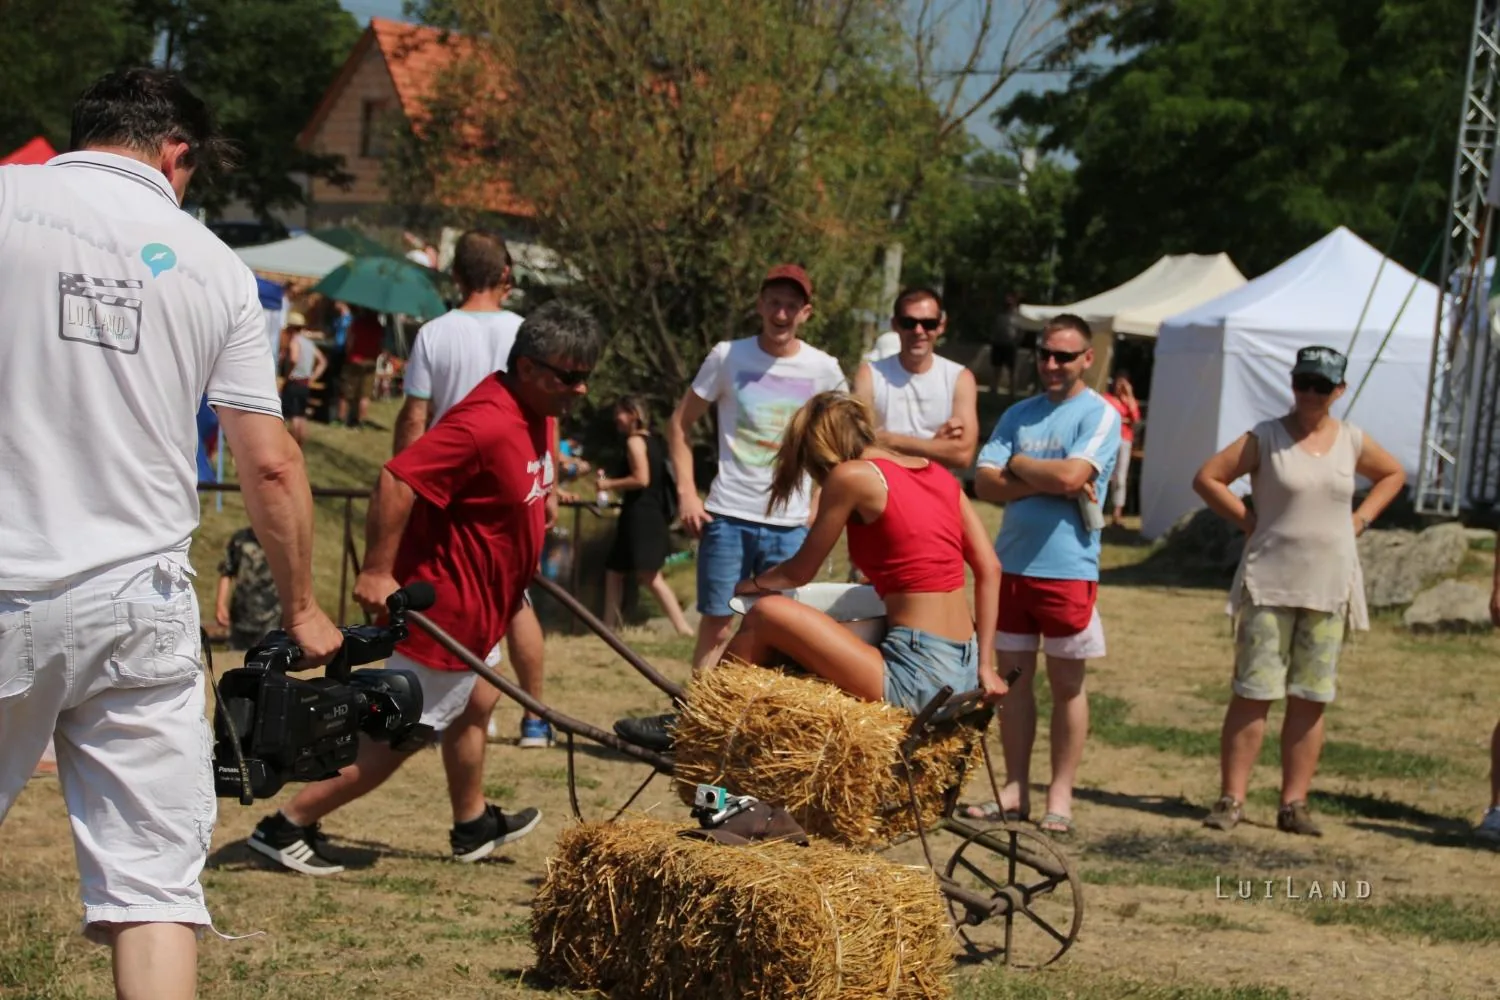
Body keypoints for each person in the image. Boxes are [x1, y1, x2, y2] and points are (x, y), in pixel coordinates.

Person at [0, 68, 341, 1000]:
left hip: (10, 576)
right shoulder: (217, 268)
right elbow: (272, 465)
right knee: (154, 890)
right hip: (140, 604)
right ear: (176, 151)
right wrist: (303, 610)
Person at [247, 300, 601, 874]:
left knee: (477, 702)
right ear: (529, 368)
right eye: (570, 377)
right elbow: (396, 479)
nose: (580, 389)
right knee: (396, 737)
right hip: (446, 611)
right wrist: (376, 570)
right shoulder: (485, 422)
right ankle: (284, 826)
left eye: (586, 376)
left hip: (484, 606)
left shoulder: (536, 409)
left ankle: (471, 823)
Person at [614, 264, 845, 750]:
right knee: (718, 626)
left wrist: (819, 503)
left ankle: (761, 737)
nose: (781, 314)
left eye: (791, 305)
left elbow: (842, 440)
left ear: (806, 313)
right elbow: (679, 424)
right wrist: (687, 493)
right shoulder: (727, 356)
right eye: (773, 302)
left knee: (782, 635)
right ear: (759, 305)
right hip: (730, 515)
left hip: (790, 525)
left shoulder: (823, 368)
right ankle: (696, 730)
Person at [1194, 346, 1405, 837]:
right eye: (1303, 382)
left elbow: (1393, 474)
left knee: (1311, 696)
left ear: (1340, 390)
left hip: (1329, 586)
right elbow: (1208, 478)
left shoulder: (1351, 440)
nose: (1310, 393)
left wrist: (1361, 519)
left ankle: (1294, 803)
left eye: (1321, 386)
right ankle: (1231, 799)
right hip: (1269, 582)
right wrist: (1248, 520)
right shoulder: (1266, 437)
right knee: (1254, 692)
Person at [724, 392, 1007, 710]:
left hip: (917, 676)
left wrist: (753, 584)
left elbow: (797, 573)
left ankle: (706, 715)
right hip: (964, 669)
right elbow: (990, 568)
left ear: (820, 451)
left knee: (764, 613)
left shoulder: (851, 476)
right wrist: (986, 665)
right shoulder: (939, 475)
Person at [394, 228, 554, 749]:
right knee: (516, 598)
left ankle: (449, 708)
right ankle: (533, 717)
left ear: (456, 274)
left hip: (451, 485)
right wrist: (547, 479)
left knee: (453, 597)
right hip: (515, 478)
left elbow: (415, 416)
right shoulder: (526, 331)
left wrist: (407, 481)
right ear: (505, 274)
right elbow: (549, 408)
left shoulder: (434, 333)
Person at [970, 314, 1122, 836]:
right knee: (1012, 686)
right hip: (1011, 567)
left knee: (1067, 687)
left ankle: (1061, 794)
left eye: (1064, 356)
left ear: (1087, 359)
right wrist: (1046, 478)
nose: (1052, 364)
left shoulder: (1100, 414)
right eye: (1045, 354)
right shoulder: (1019, 413)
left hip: (1068, 571)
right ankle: (1015, 790)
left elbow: (1074, 476)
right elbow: (983, 483)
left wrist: (1018, 465)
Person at [852, 287, 979, 473]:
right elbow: (857, 445)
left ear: (941, 326)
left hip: (935, 486)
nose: (918, 331)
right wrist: (934, 446)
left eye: (929, 324)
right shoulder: (870, 374)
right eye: (909, 323)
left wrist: (890, 440)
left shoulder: (960, 378)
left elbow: (963, 455)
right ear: (895, 325)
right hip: (881, 484)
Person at [600, 396, 693, 637]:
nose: (616, 419)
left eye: (620, 413)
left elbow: (641, 479)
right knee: (615, 571)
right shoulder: (655, 442)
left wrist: (608, 484)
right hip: (647, 514)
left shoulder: (634, 442)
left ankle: (683, 628)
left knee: (650, 576)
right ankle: (608, 627)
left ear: (633, 414)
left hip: (641, 516)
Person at [216, 527, 282, 650]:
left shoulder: (282, 541)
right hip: (241, 616)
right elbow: (227, 572)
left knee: (267, 657)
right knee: (237, 658)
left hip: (272, 617)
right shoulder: (240, 540)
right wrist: (220, 604)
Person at [281, 312, 327, 447]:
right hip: (305, 383)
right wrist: (313, 377)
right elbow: (322, 361)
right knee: (301, 415)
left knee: (294, 415)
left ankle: (293, 443)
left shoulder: (294, 341)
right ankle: (301, 444)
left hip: (295, 381)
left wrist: (287, 374)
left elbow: (294, 359)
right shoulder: (309, 343)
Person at [1102, 372, 1142, 527]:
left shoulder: (1129, 401)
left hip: (1125, 439)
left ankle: (1117, 513)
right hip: (1109, 438)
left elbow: (1135, 418)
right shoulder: (1107, 399)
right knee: (1105, 474)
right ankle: (1098, 509)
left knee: (1121, 477)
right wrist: (1124, 419)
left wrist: (1129, 396)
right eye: (1119, 383)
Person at [339, 306, 382, 428]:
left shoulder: (356, 324)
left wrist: (348, 353)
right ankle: (361, 421)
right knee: (365, 395)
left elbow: (350, 341)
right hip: (370, 362)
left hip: (354, 360)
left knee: (346, 392)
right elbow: (380, 345)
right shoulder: (378, 327)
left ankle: (341, 419)